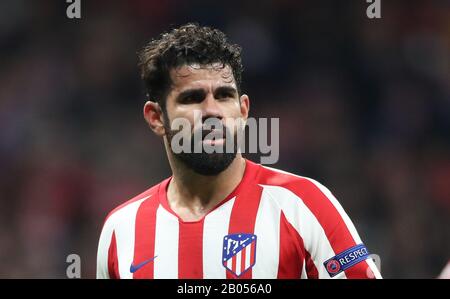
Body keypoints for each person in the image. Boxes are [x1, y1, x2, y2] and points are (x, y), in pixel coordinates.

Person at [96, 23, 381, 279]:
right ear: (156, 117)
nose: (212, 111)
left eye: (224, 96)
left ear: (243, 110)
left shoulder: (303, 205)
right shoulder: (122, 229)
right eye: (192, 98)